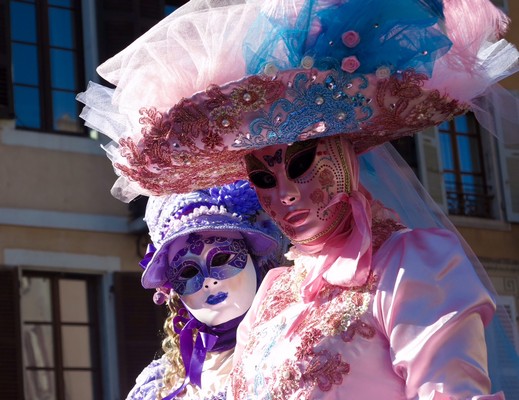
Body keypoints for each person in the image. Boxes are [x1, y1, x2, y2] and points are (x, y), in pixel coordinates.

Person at [77, 0, 519, 398]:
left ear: (345, 152)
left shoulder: (410, 265)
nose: (284, 193)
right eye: (262, 176)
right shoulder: (273, 294)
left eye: (302, 161)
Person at [125, 180, 286, 400]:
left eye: (221, 258)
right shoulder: (157, 385)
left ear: (255, 258)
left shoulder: (290, 349)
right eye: (188, 272)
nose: (208, 282)